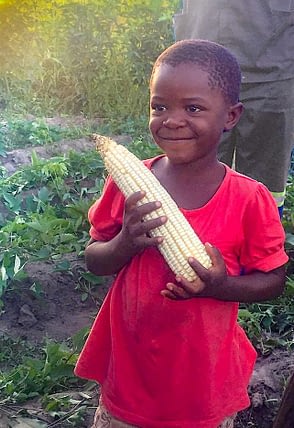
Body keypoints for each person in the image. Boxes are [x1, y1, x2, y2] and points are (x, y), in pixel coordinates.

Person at [75, 40, 288, 428]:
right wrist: (123, 243)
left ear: (231, 116)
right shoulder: (129, 186)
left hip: (201, 384)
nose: (171, 120)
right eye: (159, 107)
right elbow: (94, 259)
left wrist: (220, 286)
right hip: (130, 376)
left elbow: (274, 280)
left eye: (193, 108)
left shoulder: (248, 199)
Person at [173, 0, 294, 217]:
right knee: (196, 175)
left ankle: (262, 246)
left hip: (275, 70)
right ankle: (199, 245)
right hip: (201, 67)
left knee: (266, 185)